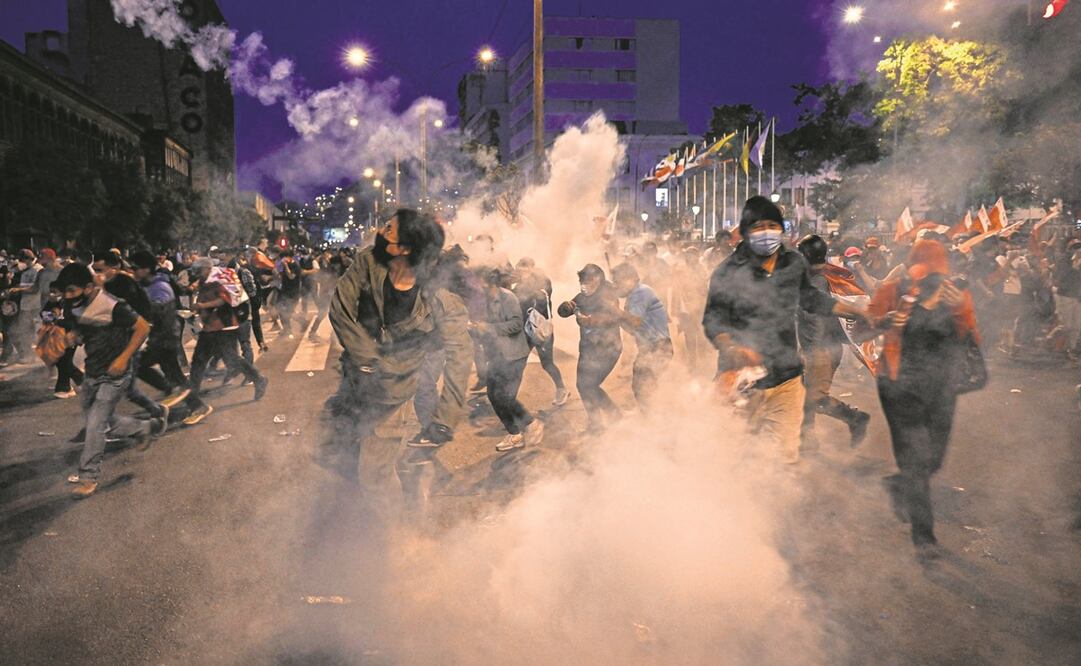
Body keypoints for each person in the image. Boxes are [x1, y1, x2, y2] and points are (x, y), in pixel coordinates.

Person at [702, 196, 868, 465]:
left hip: (784, 365)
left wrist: (857, 311)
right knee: (734, 427)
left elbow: (813, 301)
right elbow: (715, 320)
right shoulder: (730, 272)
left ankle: (780, 466)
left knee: (778, 425)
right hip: (744, 366)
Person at [322, 209, 471, 506]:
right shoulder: (368, 261)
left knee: (374, 475)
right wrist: (366, 357)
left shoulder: (441, 297)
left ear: (405, 249)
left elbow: (460, 355)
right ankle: (399, 482)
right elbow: (340, 307)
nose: (380, 229)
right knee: (336, 452)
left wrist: (445, 419)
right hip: (354, 379)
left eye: (389, 229)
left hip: (394, 390)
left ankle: (393, 538)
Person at [868, 238, 980, 558]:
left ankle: (899, 484)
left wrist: (960, 307)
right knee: (916, 459)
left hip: (942, 386)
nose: (931, 275)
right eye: (926, 267)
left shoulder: (955, 294)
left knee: (935, 458)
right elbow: (866, 324)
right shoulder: (893, 290)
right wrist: (901, 312)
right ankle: (924, 535)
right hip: (898, 384)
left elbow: (972, 338)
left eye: (936, 269)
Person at [54, 263, 166, 499]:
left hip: (115, 374)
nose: (67, 296)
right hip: (93, 371)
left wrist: (124, 359)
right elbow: (83, 329)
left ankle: (88, 477)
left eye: (71, 291)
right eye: (64, 291)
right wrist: (74, 336)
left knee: (95, 424)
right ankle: (146, 427)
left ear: (87, 287)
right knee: (106, 421)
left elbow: (143, 328)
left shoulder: (113, 305)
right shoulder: (72, 304)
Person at [796, 235, 871, 450]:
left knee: (815, 398)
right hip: (818, 348)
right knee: (803, 396)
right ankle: (806, 442)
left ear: (805, 255)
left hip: (821, 349)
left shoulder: (818, 281)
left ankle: (855, 418)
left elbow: (816, 317)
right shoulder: (821, 276)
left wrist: (812, 351)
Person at [180, 258, 268, 425]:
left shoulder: (218, 278)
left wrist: (202, 306)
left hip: (224, 326)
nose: (196, 274)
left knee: (230, 359)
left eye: (198, 270)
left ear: (206, 268)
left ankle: (258, 379)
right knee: (200, 361)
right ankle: (193, 398)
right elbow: (196, 289)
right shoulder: (206, 279)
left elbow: (224, 300)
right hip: (210, 327)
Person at [471, 269, 545, 452]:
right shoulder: (485, 301)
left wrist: (487, 327)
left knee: (505, 396)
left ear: (492, 284)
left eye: (482, 284)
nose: (479, 287)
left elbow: (516, 325)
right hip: (496, 356)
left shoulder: (508, 298)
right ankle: (515, 433)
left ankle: (532, 423)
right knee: (492, 394)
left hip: (513, 355)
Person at [558, 263, 623, 432]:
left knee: (589, 385)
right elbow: (563, 311)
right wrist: (566, 307)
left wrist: (590, 320)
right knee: (583, 385)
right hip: (587, 349)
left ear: (598, 278)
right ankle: (598, 421)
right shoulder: (582, 296)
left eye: (588, 280)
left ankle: (610, 415)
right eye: (582, 280)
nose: (584, 284)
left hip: (608, 349)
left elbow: (614, 316)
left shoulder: (608, 294)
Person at [129, 250, 190, 406]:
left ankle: (189, 401)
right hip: (161, 338)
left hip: (165, 338)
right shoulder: (148, 285)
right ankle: (194, 404)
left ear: (146, 269)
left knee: (140, 366)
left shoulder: (160, 286)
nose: (133, 272)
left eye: (135, 268)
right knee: (175, 377)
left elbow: (159, 311)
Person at [610, 262, 673, 408]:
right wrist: (617, 314)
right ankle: (656, 419)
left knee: (644, 390)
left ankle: (656, 420)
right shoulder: (633, 296)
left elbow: (635, 321)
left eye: (617, 281)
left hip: (658, 347)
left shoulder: (641, 292)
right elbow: (632, 329)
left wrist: (616, 312)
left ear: (629, 279)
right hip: (651, 348)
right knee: (645, 389)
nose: (615, 286)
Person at [512, 257, 569, 406]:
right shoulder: (517, 283)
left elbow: (542, 298)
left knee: (547, 362)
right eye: (520, 267)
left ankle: (561, 389)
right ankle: (509, 397)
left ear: (532, 267)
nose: (522, 270)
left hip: (540, 328)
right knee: (519, 363)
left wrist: (524, 286)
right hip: (525, 329)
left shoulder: (542, 282)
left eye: (525, 267)